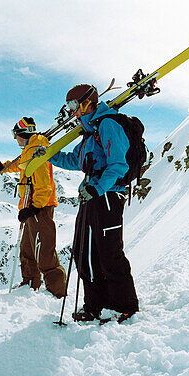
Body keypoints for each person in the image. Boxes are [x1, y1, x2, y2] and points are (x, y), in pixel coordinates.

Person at [43, 84, 139, 323]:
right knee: (84, 252)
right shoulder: (89, 133)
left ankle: (124, 305)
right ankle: (94, 306)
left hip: (107, 196)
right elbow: (76, 160)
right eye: (69, 107)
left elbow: (118, 164)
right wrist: (48, 155)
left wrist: (96, 188)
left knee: (109, 252)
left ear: (88, 102)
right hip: (90, 196)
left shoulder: (108, 125)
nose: (72, 112)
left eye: (74, 106)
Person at [0, 117, 67, 298]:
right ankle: (30, 283)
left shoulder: (36, 151)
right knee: (27, 249)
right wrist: (2, 167)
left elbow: (44, 185)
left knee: (44, 250)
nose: (15, 139)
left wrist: (34, 207)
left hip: (40, 207)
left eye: (15, 135)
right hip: (30, 206)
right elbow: (20, 165)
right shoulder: (30, 149)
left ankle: (57, 293)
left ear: (20, 134)